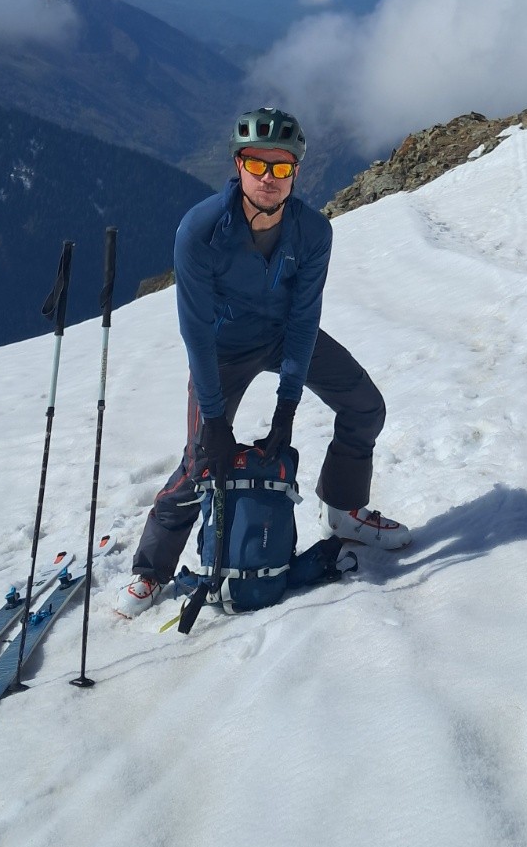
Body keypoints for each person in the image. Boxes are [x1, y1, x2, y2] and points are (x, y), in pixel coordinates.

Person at [116, 106, 410, 617]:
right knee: (200, 459)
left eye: (281, 167)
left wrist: (287, 406)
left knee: (364, 406)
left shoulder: (313, 233)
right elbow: (196, 333)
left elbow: (303, 320)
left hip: (283, 336)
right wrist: (212, 419)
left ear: (297, 169)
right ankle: (152, 569)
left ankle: (344, 510)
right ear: (238, 165)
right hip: (222, 348)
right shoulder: (200, 231)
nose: (269, 178)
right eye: (257, 165)